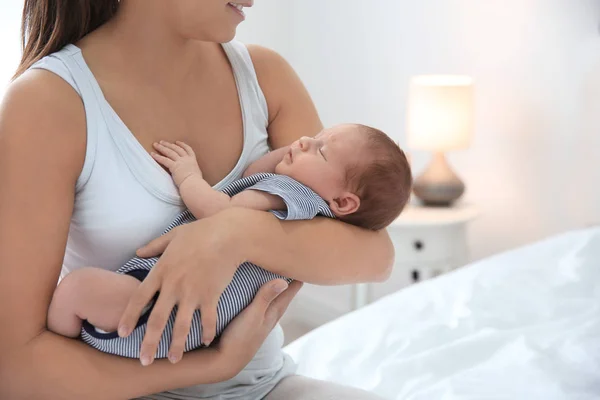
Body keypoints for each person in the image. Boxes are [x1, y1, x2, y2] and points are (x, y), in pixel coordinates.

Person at [0, 1, 394, 399]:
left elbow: (375, 255)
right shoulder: (49, 102)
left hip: (264, 385)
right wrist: (215, 364)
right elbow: (15, 370)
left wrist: (234, 233)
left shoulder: (264, 75)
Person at [47, 125, 412, 361]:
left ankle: (62, 343)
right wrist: (296, 154)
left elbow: (221, 214)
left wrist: (188, 175)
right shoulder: (306, 216)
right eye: (316, 135)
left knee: (76, 289)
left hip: (162, 309)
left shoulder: (294, 197)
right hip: (185, 329)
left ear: (344, 203)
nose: (303, 141)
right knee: (83, 295)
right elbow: (253, 175)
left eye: (321, 150)